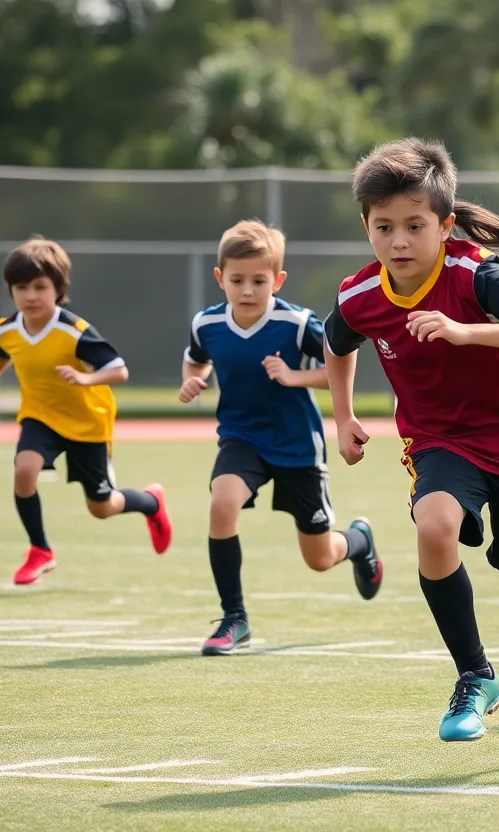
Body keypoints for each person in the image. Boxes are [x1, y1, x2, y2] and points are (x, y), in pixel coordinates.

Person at [322, 137, 499, 742]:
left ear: (445, 224)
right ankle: (475, 676)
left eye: (414, 225)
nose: (399, 241)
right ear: (366, 228)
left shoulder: (473, 273)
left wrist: (463, 332)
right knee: (433, 526)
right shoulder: (360, 295)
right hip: (442, 441)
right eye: (384, 227)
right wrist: (343, 415)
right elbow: (337, 342)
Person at [181, 219, 382, 657]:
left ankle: (359, 542)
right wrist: (193, 381)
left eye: (259, 280)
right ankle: (233, 617)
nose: (248, 290)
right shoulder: (206, 324)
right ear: (220, 278)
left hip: (296, 446)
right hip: (241, 438)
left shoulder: (296, 323)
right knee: (222, 502)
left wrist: (294, 376)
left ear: (278, 279)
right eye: (237, 280)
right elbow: (195, 361)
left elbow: (339, 366)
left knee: (319, 557)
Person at [0, 237, 172, 585]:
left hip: (87, 424)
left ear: (58, 289)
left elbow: (119, 370)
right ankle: (40, 550)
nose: (30, 296)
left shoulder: (75, 332)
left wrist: (85, 378)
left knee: (102, 507)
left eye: (40, 287)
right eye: (21, 287)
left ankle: (150, 502)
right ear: (10, 290)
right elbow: (3, 351)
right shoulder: (7, 329)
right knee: (24, 470)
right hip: (40, 416)